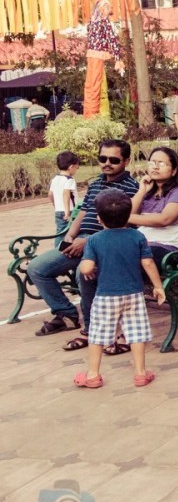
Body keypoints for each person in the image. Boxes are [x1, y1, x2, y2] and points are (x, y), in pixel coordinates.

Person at [27, 139, 139, 350]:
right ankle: (66, 314)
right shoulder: (96, 183)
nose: (107, 163)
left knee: (83, 272)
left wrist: (87, 242)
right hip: (80, 240)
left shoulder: (130, 187)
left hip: (106, 245)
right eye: (102, 158)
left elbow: (125, 224)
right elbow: (85, 212)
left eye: (114, 160)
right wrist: (69, 237)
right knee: (37, 268)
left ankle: (90, 330)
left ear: (126, 161)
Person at [73, 190, 165, 389]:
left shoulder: (95, 240)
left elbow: (86, 268)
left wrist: (89, 268)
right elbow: (148, 263)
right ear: (128, 216)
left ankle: (93, 375)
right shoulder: (137, 236)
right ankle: (140, 374)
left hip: (106, 296)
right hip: (133, 294)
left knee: (97, 335)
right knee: (136, 333)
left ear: (99, 218)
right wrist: (158, 287)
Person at [129, 147, 178, 269]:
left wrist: (124, 217)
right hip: (141, 245)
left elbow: (164, 220)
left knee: (127, 260)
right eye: (152, 162)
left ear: (174, 170)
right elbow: (129, 214)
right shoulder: (148, 193)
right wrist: (141, 191)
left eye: (161, 163)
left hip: (167, 249)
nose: (155, 167)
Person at [83, 0, 125, 118]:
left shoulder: (92, 21)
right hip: (97, 54)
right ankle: (91, 114)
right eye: (107, 8)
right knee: (94, 83)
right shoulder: (103, 21)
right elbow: (111, 39)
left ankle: (89, 113)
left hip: (92, 54)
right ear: (102, 8)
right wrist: (118, 58)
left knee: (91, 83)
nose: (109, 10)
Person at [49, 151, 80, 247]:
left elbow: (50, 194)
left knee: (60, 231)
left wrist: (55, 205)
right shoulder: (69, 180)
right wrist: (67, 212)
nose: (77, 169)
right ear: (71, 167)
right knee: (72, 231)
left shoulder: (55, 179)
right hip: (70, 211)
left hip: (58, 211)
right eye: (77, 167)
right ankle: (59, 250)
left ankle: (58, 248)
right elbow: (66, 193)